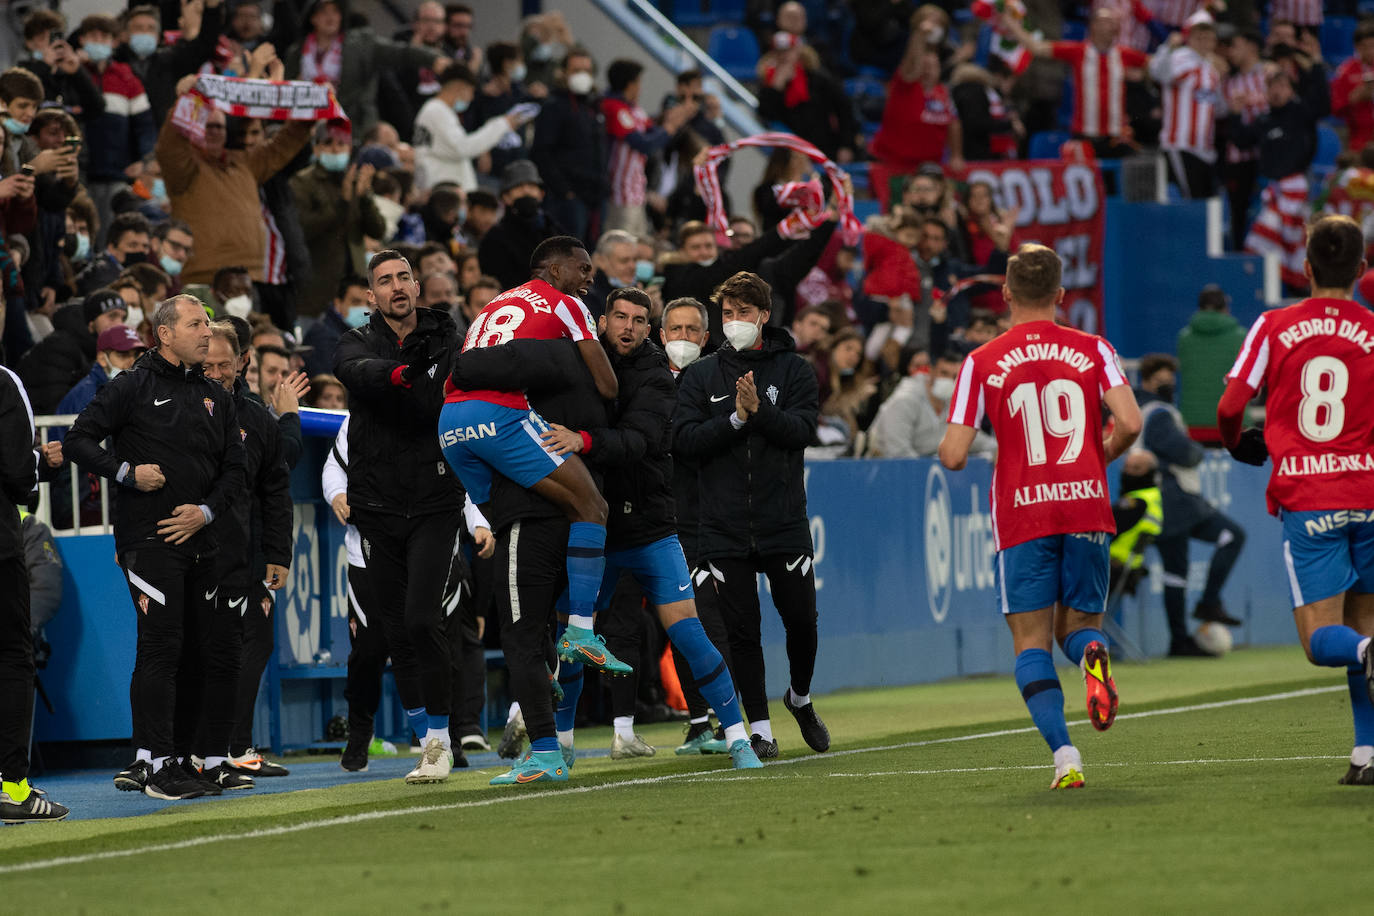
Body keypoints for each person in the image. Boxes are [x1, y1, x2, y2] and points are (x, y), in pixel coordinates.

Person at [938, 243, 1142, 789]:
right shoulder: (1094, 348)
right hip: (1086, 504)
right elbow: (1129, 421)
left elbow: (954, 455)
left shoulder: (981, 362)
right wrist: (1096, 457)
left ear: (1005, 293)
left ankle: (1066, 757)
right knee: (1078, 629)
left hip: (1023, 512)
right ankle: (1094, 653)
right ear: (1060, 295)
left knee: (1031, 642)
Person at [65, 294, 247, 800]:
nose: (206, 332)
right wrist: (126, 473)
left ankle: (178, 759)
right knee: (162, 647)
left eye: (207, 324)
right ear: (164, 333)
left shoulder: (216, 394)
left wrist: (205, 512)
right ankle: (156, 762)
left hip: (201, 537)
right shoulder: (132, 386)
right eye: (195, 324)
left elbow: (236, 468)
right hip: (150, 538)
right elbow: (80, 438)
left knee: (197, 652)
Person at [1217, 215, 1374, 786]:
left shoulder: (1272, 325)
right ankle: (1368, 753)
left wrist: (1240, 445)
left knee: (1323, 642)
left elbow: (1231, 406)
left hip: (1311, 494)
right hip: (1369, 491)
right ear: (1361, 270)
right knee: (1363, 632)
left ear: (1305, 268)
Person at [438, 236, 628, 686]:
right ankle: (580, 630)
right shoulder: (565, 302)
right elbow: (608, 385)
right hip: (498, 415)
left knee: (511, 533)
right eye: (582, 269)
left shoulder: (495, 303)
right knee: (591, 507)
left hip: (450, 423)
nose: (590, 277)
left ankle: (540, 663)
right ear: (554, 270)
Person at [674, 271, 828, 759]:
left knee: (802, 623)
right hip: (722, 526)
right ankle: (760, 729)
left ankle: (799, 697)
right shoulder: (701, 374)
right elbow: (684, 442)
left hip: (782, 521)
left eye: (743, 313)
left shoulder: (795, 370)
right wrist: (737, 419)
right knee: (743, 632)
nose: (733, 322)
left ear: (763, 316)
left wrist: (759, 412)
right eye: (727, 314)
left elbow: (803, 431)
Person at [334, 250, 465, 785]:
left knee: (420, 619)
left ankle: (439, 740)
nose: (396, 287)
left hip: (435, 501)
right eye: (384, 281)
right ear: (371, 296)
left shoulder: (449, 340)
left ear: (417, 283)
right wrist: (407, 374)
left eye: (403, 277)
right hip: (378, 508)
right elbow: (355, 372)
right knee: (393, 629)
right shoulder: (355, 342)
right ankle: (429, 738)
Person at [194, 321, 291, 788]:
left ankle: (226, 750)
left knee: (244, 647)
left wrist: (278, 553)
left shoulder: (254, 419)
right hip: (191, 555)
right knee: (192, 651)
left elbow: (275, 489)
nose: (215, 372)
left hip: (243, 557)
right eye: (207, 363)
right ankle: (185, 753)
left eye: (223, 364)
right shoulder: (177, 411)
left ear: (240, 364)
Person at [1135, 353, 1246, 655]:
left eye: (1171, 381)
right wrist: (1196, 450)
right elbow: (1186, 453)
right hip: (1173, 500)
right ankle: (1207, 605)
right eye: (1162, 381)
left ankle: (1180, 639)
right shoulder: (1157, 413)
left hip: (1161, 501)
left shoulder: (1141, 410)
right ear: (1146, 380)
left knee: (1175, 572)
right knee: (1231, 536)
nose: (1169, 386)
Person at [157, 77, 314, 289]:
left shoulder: (244, 162)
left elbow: (285, 143)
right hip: (203, 280)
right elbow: (170, 143)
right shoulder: (183, 167)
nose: (213, 131)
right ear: (193, 127)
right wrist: (185, 102)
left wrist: (313, 105)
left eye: (219, 127)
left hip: (250, 279)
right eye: (207, 125)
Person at [0, 364, 70, 822]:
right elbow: (16, 470)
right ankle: (12, 787)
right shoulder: (3, 381)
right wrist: (40, 465)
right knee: (9, 658)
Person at [1002, 9, 1148, 159]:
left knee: (1136, 169)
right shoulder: (1079, 51)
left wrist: (1144, 75)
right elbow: (1036, 48)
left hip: (1115, 137)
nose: (1111, 25)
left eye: (1113, 22)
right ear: (1093, 26)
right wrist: (1011, 23)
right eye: (1106, 21)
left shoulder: (1124, 54)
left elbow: (1154, 65)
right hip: (1084, 136)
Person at [291, 121, 386, 319]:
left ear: (349, 148)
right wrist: (342, 203)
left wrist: (364, 198)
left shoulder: (355, 180)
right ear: (316, 148)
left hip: (355, 287)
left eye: (341, 144)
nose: (335, 149)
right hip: (317, 288)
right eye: (328, 143)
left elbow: (378, 230)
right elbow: (302, 228)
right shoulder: (302, 182)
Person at [870, 12, 964, 211]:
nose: (928, 69)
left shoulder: (943, 93)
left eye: (934, 66)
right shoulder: (905, 86)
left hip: (930, 170)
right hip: (895, 170)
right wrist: (919, 36)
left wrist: (956, 154)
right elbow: (911, 66)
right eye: (925, 65)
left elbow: (954, 123)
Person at [600, 59, 697, 238]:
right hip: (620, 192)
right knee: (620, 244)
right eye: (638, 82)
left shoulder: (634, 109)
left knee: (638, 244)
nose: (640, 87)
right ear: (630, 84)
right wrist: (670, 127)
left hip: (637, 192)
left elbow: (655, 132)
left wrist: (676, 119)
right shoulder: (614, 108)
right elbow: (644, 144)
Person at [414, 65, 532, 193]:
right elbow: (463, 147)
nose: (471, 98)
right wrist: (502, 124)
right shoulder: (437, 111)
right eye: (471, 91)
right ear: (459, 88)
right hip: (443, 190)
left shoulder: (437, 110)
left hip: (444, 188)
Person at [529, 48, 606, 242]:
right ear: (563, 72)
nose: (582, 76)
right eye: (576, 70)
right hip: (566, 198)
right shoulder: (554, 106)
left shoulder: (593, 105)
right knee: (567, 253)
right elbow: (541, 152)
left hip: (594, 196)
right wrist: (565, 191)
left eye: (587, 71)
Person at [868, 349, 995, 458]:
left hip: (926, 470)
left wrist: (998, 448)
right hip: (886, 472)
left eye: (955, 376)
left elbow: (973, 439)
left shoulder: (953, 401)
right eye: (944, 373)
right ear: (931, 371)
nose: (949, 380)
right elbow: (897, 452)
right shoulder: (904, 400)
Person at [18, 288, 129, 415]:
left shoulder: (95, 349)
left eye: (123, 318)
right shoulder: (59, 347)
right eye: (112, 316)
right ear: (91, 323)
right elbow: (54, 407)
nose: (120, 325)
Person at [1150, 21, 1222, 199]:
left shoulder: (1212, 71)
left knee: (1205, 201)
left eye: (1209, 39)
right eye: (1199, 38)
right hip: (1180, 144)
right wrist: (1168, 47)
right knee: (1191, 199)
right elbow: (1159, 73)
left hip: (1205, 149)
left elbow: (1218, 108)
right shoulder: (1181, 60)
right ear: (1189, 40)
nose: (1204, 43)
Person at [478, 160, 565, 291]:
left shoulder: (556, 231)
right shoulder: (494, 238)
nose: (526, 191)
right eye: (518, 187)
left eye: (531, 186)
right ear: (506, 197)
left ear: (541, 194)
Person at [1176, 284, 1247, 433]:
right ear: (1225, 307)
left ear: (1200, 308)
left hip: (1192, 423)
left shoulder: (1184, 338)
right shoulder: (1242, 336)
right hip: (1233, 421)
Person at [304, 276, 369, 377]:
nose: (364, 308)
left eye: (369, 304)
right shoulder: (324, 336)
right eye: (356, 302)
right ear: (338, 303)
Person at [74, 211, 150, 296]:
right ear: (112, 248)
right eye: (133, 245)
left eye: (145, 246)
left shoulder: (136, 275)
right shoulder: (99, 276)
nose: (141, 251)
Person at [1330, 19, 1374, 155]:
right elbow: (1335, 109)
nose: (1371, 51)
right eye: (1365, 46)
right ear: (1357, 47)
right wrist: (1353, 99)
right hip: (1358, 140)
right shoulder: (1346, 71)